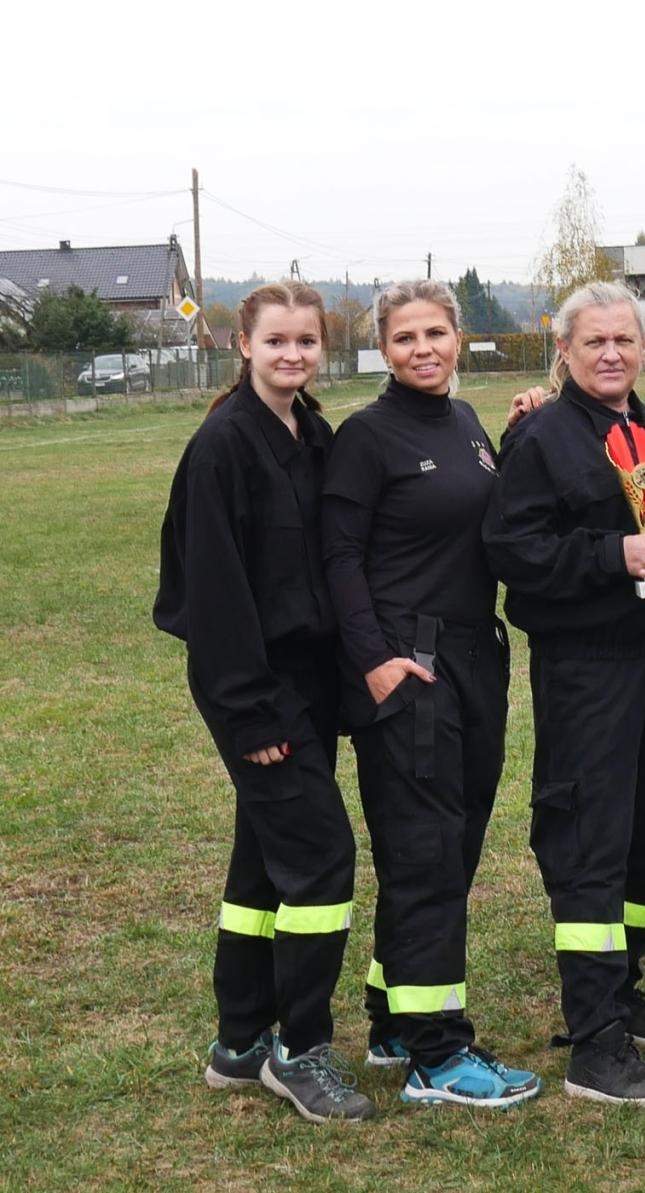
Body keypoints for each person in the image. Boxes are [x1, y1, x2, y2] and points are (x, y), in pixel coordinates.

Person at [483, 280, 645, 1107]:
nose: (613, 353)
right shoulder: (542, 436)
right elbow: (515, 551)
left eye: (626, 340)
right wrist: (606, 557)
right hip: (587, 668)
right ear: (565, 351)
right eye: (595, 343)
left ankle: (620, 985)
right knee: (589, 839)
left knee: (638, 837)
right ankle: (593, 1044)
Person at [154, 282, 373, 1123]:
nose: (293, 355)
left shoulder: (311, 432)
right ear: (242, 345)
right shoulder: (223, 447)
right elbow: (213, 597)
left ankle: (240, 1041)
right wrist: (249, 715)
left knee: (262, 866)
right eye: (276, 341)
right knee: (320, 859)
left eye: (306, 342)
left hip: (314, 684)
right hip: (258, 690)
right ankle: (301, 1048)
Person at [322, 279, 541, 1108]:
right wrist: (374, 659)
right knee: (422, 853)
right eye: (405, 336)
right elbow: (339, 558)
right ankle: (438, 1057)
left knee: (454, 847)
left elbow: (487, 517)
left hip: (474, 657)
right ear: (383, 346)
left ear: (459, 337)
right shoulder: (367, 436)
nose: (422, 348)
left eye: (436, 333)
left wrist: (525, 422)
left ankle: (392, 1019)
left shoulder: (466, 424)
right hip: (408, 666)